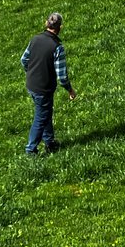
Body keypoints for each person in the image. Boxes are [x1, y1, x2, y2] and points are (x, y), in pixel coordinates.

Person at [21, 11, 77, 154]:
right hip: (43, 88)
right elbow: (62, 75)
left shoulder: (35, 39)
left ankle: (50, 142)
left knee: (45, 112)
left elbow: (24, 60)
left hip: (31, 84)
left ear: (46, 24)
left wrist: (33, 72)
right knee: (41, 117)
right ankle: (31, 150)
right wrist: (70, 90)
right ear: (60, 27)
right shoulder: (57, 47)